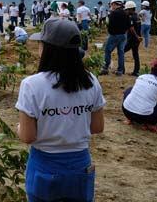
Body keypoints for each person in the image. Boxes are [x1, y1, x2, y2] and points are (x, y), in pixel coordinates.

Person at [16, 18, 105, 202]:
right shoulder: (91, 81)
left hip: (44, 166)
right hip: (80, 166)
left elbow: (27, 137)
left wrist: (20, 127)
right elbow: (97, 127)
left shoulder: (32, 85)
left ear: (48, 49)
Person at [122, 59, 157, 131]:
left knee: (129, 90)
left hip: (126, 111)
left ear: (152, 69)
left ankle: (129, 119)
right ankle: (151, 124)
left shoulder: (142, 76)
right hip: (143, 117)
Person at [100, 0, 130, 76]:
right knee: (121, 52)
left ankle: (105, 68)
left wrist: (111, 33)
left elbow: (110, 26)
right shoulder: (126, 13)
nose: (111, 6)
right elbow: (128, 25)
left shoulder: (113, 13)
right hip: (123, 35)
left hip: (114, 35)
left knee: (107, 50)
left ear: (114, 4)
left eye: (111, 4)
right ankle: (120, 70)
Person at [123, 1, 143, 76]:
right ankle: (136, 71)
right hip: (137, 40)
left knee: (122, 52)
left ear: (131, 9)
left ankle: (122, 69)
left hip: (132, 39)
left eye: (127, 9)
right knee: (135, 54)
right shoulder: (137, 17)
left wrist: (136, 36)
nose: (126, 11)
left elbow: (131, 28)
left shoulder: (131, 18)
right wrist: (139, 37)